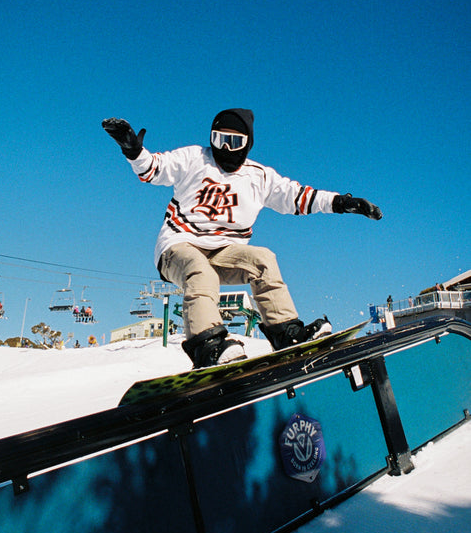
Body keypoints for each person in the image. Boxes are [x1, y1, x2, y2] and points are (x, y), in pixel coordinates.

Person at [103, 108, 382, 368]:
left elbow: (299, 197)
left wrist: (344, 203)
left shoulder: (259, 177)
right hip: (179, 245)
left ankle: (285, 332)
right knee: (200, 273)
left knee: (262, 259)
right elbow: (153, 169)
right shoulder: (193, 159)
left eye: (233, 142)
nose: (224, 148)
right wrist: (133, 150)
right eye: (219, 139)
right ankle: (208, 345)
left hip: (225, 252)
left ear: (247, 144)